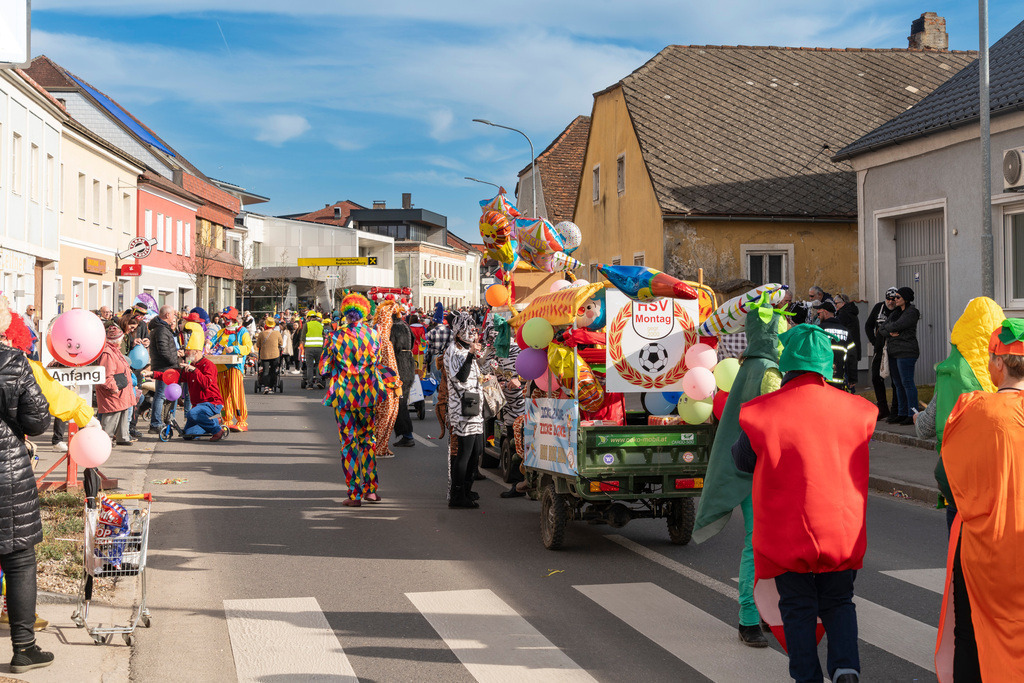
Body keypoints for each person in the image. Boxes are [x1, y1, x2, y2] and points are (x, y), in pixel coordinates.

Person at [732, 324, 875, 683]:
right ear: (826, 363)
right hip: (842, 531)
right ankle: (846, 669)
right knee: (840, 602)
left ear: (787, 363)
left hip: (789, 533)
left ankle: (806, 676)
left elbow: (742, 460)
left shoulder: (764, 410)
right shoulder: (858, 410)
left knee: (797, 607)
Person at [935, 319, 1024, 682]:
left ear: (998, 364)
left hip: (986, 548)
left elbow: (946, 477)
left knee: (971, 636)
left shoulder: (975, 410)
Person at [694, 304, 784, 649]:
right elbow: (775, 421)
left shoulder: (749, 366)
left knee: (762, 543)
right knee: (757, 543)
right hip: (759, 471)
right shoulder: (769, 372)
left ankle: (759, 609)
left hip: (747, 466)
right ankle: (749, 618)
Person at [0, 298, 55, 673]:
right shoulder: (14, 362)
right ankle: (23, 648)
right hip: (7, 471)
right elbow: (37, 421)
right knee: (19, 560)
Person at [321, 293, 400, 507]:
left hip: (344, 397)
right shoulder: (374, 335)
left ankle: (354, 494)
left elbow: (324, 368)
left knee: (348, 443)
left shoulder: (334, 336)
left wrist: (340, 368)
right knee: (368, 441)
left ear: (345, 314)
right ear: (365, 313)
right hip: (368, 395)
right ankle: (371, 490)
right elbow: (378, 361)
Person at [445, 312, 485, 509]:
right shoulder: (454, 350)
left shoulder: (465, 349)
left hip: (474, 406)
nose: (472, 332)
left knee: (476, 450)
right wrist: (470, 355)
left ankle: (466, 490)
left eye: (473, 329)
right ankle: (457, 494)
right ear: (458, 333)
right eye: (468, 329)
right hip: (462, 408)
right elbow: (461, 376)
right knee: (465, 452)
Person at [877, 287, 920, 425]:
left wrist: (889, 328)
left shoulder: (912, 312)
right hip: (893, 351)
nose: (894, 299)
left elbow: (899, 325)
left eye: (898, 297)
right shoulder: (895, 313)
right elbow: (881, 329)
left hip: (906, 352)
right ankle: (902, 412)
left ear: (905, 299)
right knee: (897, 383)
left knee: (907, 382)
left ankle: (912, 413)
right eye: (894, 297)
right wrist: (890, 332)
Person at [210, 307, 252, 431]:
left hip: (235, 367)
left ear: (234, 319)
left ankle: (241, 420)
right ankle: (226, 419)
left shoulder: (242, 331)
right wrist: (207, 345)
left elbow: (247, 347)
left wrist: (235, 349)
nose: (225, 320)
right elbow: (212, 343)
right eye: (224, 318)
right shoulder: (221, 332)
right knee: (222, 395)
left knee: (235, 393)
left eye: (227, 318)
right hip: (220, 367)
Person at [96, 322, 135, 446]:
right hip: (114, 389)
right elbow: (106, 375)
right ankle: (105, 439)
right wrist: (113, 388)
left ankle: (122, 437)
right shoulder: (108, 352)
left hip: (121, 388)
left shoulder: (114, 350)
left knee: (122, 412)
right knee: (112, 414)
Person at [865, 287, 900, 420]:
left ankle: (896, 409)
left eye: (893, 299)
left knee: (896, 380)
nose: (891, 302)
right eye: (888, 299)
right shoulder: (879, 307)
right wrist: (874, 341)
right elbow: (868, 325)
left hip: (894, 349)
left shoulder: (899, 310)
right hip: (879, 349)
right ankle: (883, 407)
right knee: (876, 377)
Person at [372, 301, 402, 458]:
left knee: (377, 418)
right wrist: (398, 384)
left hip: (373, 385)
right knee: (387, 416)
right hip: (386, 387)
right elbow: (390, 368)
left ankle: (376, 446)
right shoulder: (385, 342)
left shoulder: (373, 336)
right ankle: (380, 448)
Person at [181, 346, 228, 441]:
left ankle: (217, 430)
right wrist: (153, 374)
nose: (186, 354)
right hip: (198, 405)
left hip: (212, 402)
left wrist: (194, 370)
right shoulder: (191, 365)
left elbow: (206, 383)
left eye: (188, 352)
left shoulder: (208, 365)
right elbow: (177, 375)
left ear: (197, 352)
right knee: (188, 434)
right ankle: (214, 421)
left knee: (192, 413)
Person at [148, 305, 181, 434]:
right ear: (167, 315)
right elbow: (163, 350)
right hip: (164, 367)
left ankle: (164, 420)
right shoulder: (161, 329)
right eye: (173, 314)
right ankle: (155, 423)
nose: (174, 317)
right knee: (161, 395)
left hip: (165, 366)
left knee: (165, 395)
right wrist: (174, 362)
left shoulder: (162, 328)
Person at [817, 301, 858, 392]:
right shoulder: (845, 331)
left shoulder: (819, 330)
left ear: (825, 312)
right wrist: (852, 379)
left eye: (819, 314)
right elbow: (852, 355)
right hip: (839, 380)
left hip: (821, 380)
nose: (818, 317)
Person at [391, 312, 416, 448]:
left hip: (399, 366)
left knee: (399, 403)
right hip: (408, 364)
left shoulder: (395, 327)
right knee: (401, 403)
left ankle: (407, 435)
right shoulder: (406, 325)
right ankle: (406, 435)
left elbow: (394, 347)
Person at [254, 317, 283, 394]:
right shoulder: (277, 333)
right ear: (273, 325)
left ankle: (266, 387)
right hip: (275, 355)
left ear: (265, 325)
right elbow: (281, 343)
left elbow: (258, 345)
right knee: (273, 371)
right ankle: (271, 387)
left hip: (264, 355)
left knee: (265, 371)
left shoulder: (262, 334)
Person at [833, 294, 862, 363]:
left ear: (843, 303)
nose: (835, 305)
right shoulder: (850, 312)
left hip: (847, 349)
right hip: (853, 348)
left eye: (836, 303)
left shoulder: (844, 314)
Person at [301, 311, 325, 389]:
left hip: (309, 348)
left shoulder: (306, 325)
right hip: (319, 348)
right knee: (318, 365)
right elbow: (323, 336)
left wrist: (304, 347)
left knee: (310, 366)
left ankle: (310, 384)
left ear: (309, 317)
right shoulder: (321, 325)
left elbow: (302, 338)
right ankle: (318, 380)